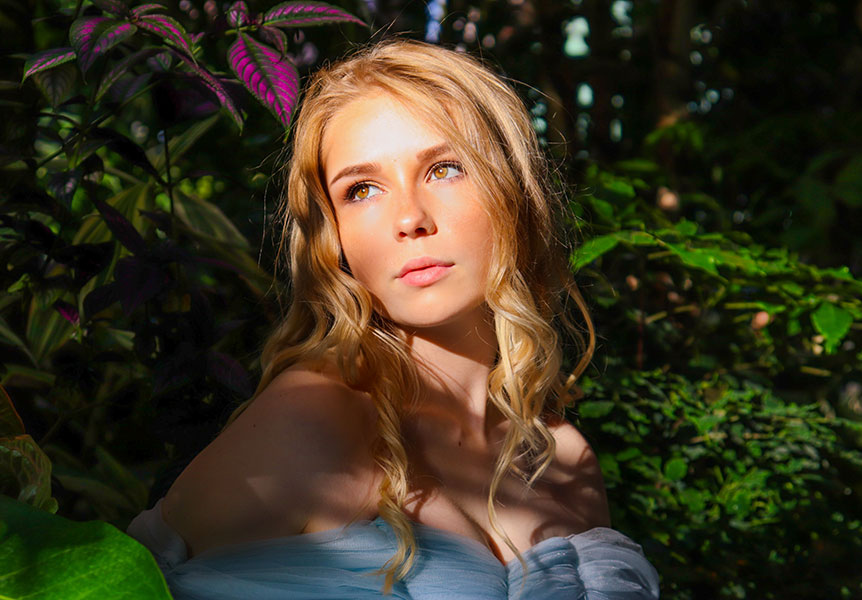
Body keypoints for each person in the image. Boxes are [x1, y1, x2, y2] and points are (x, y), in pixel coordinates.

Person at [127, 38, 660, 599]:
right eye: (362, 190)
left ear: (515, 192)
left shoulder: (563, 456)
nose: (409, 217)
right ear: (334, 237)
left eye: (445, 169)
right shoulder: (311, 421)